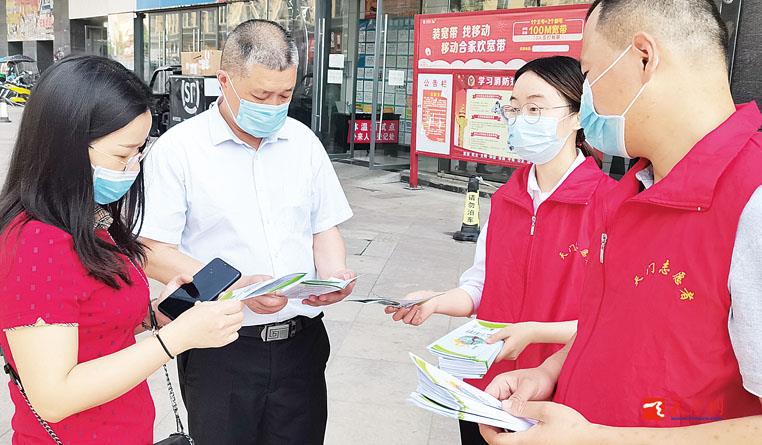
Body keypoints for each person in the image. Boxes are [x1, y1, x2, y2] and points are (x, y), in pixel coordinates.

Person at [480, 1, 762, 444]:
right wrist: (550, 372)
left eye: (588, 76)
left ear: (644, 58)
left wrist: (594, 438)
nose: (586, 98)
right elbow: (610, 327)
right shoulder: (628, 194)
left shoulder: (752, 202)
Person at [0, 55, 244, 444]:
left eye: (137, 154)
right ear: (65, 145)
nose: (131, 168)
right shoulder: (37, 242)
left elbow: (91, 324)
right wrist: (175, 340)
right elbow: (53, 396)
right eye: (120, 155)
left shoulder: (88, 221)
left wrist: (155, 315)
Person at [139, 20, 355, 445]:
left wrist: (335, 273)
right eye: (261, 95)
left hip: (301, 346)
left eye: (285, 95)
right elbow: (152, 249)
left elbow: (322, 225)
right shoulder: (179, 151)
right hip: (220, 347)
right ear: (225, 81)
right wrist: (233, 286)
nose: (274, 106)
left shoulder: (303, 143)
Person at [386, 56, 616, 444]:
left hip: (556, 396)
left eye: (535, 108)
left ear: (579, 116)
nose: (521, 118)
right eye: (515, 107)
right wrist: (434, 302)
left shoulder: (610, 205)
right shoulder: (509, 197)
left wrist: (537, 332)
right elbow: (480, 287)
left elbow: (613, 320)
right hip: (485, 388)